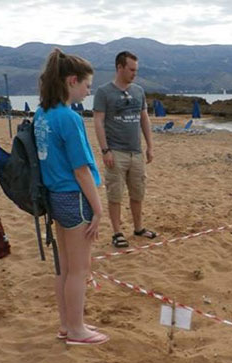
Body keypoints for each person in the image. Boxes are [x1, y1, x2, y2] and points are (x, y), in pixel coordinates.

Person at [34, 48, 109, 345]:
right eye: (87, 85)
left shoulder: (42, 113)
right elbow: (81, 170)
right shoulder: (69, 117)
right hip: (74, 198)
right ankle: (76, 330)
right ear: (72, 81)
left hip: (55, 197)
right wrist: (98, 210)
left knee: (64, 268)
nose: (89, 92)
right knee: (79, 269)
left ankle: (67, 324)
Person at [93, 51, 156, 248]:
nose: (134, 73)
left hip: (136, 152)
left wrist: (150, 146)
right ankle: (117, 232)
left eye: (136, 70)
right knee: (115, 194)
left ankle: (138, 228)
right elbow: (98, 121)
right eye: (131, 69)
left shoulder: (138, 91)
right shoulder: (104, 92)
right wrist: (105, 150)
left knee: (138, 192)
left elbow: (144, 118)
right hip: (116, 151)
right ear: (119, 67)